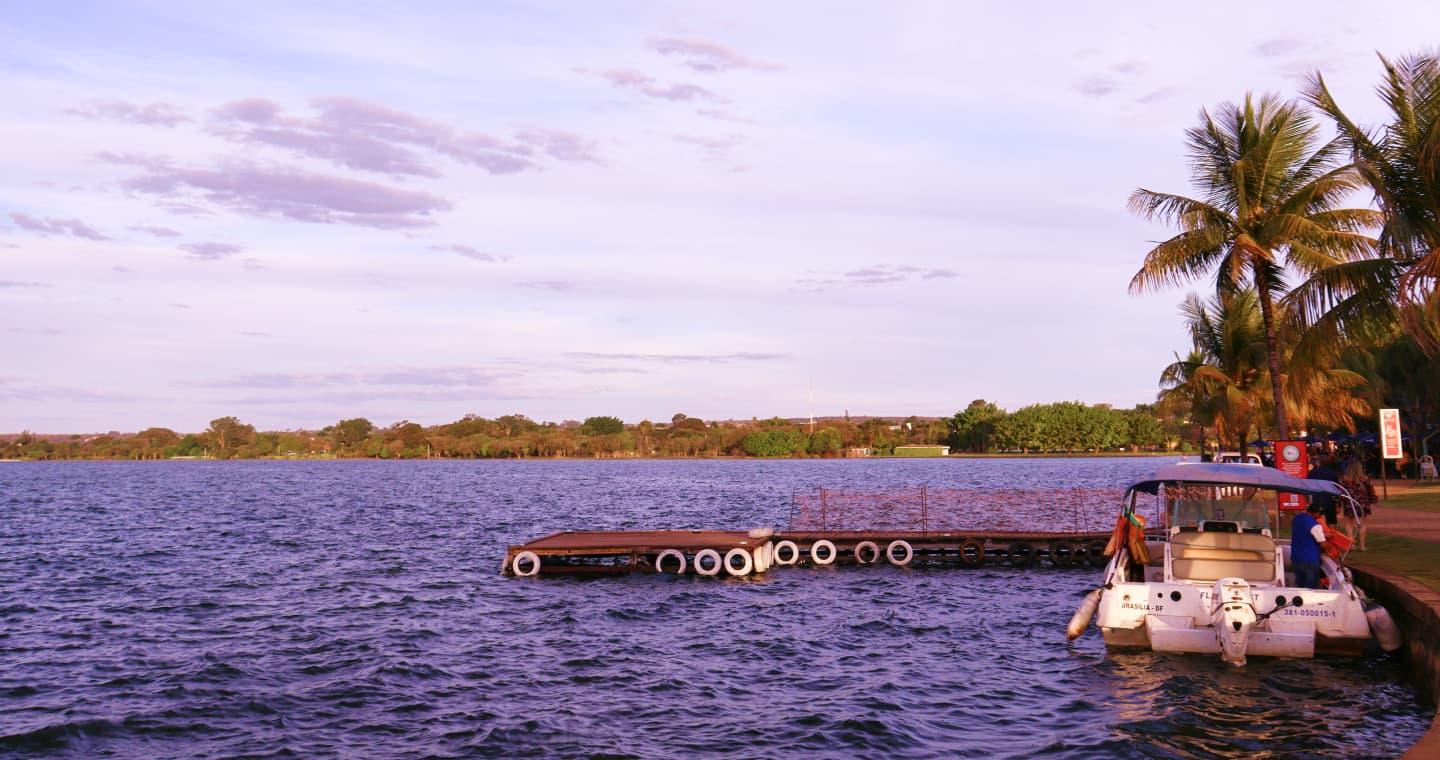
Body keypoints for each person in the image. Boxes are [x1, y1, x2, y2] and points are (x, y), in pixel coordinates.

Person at [1290, 503, 1330, 589]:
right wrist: (1328, 544)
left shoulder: (1297, 518)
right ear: (1317, 513)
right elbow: (1323, 545)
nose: (1320, 517)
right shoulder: (1315, 525)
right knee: (1311, 589)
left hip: (1296, 558)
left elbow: (1303, 533)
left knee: (1299, 586)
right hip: (1310, 560)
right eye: (1320, 515)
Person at [1340, 457, 1376, 550]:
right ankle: (1363, 546)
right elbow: (1371, 491)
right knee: (1362, 523)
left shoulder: (1345, 479)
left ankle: (1352, 544)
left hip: (1350, 503)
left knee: (1349, 523)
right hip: (1363, 503)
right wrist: (1373, 500)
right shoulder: (1365, 479)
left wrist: (1339, 502)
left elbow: (1341, 492)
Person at [1307, 455, 1341, 527]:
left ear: (1319, 463)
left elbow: (1308, 485)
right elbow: (1337, 488)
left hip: (1317, 498)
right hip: (1330, 499)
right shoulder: (1333, 473)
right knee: (1331, 521)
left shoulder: (1313, 473)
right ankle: (1332, 534)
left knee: (1318, 519)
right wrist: (1338, 504)